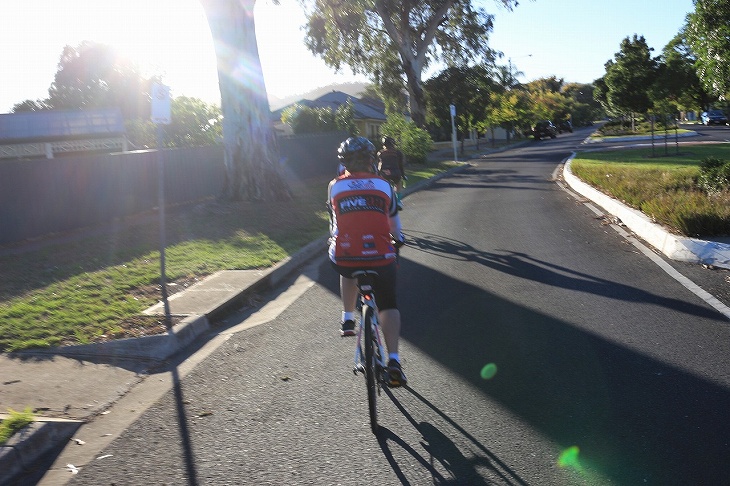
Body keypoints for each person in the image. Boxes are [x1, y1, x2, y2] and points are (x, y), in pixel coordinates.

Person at [327, 136, 407, 387]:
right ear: (372, 160)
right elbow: (394, 226)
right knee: (388, 305)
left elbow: (335, 225)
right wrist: (399, 240)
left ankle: (347, 318)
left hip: (346, 255)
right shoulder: (385, 186)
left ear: (344, 162)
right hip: (381, 257)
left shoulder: (334, 186)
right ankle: (393, 360)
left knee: (346, 264)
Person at [377, 136, 407, 209]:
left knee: (385, 186)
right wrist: (403, 175)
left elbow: (379, 165)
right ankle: (398, 201)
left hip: (384, 173)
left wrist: (378, 174)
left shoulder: (380, 153)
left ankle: (385, 201)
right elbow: (401, 165)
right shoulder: (398, 153)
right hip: (396, 172)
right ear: (393, 144)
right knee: (398, 184)